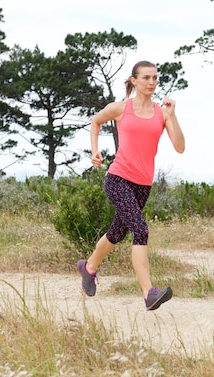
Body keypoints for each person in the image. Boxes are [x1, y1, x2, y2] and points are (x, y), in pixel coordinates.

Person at [77, 60, 185, 311]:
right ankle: (149, 293)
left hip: (142, 185)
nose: (151, 83)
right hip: (118, 178)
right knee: (140, 229)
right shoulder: (120, 108)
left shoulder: (162, 113)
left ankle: (89, 267)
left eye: (155, 78)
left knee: (116, 233)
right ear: (134, 81)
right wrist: (95, 152)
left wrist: (173, 114)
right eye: (146, 78)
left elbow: (179, 147)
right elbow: (95, 122)